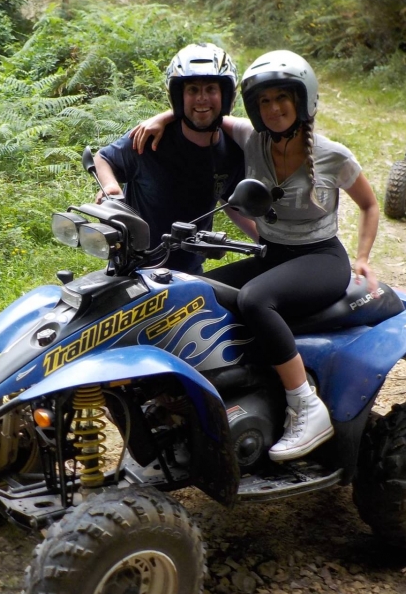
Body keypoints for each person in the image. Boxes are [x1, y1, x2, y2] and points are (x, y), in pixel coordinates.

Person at [131, 50, 380, 461]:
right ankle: (208, 391)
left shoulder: (333, 154)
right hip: (274, 253)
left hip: (321, 258)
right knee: (192, 289)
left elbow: (370, 205)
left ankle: (306, 404)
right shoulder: (252, 138)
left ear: (303, 101)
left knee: (254, 298)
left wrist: (363, 256)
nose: (274, 108)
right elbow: (203, 112)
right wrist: (164, 117)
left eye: (282, 98)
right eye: (264, 101)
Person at [93, 43, 255, 274]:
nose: (202, 98)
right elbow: (104, 157)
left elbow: (231, 201)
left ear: (226, 95)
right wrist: (111, 187)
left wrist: (267, 241)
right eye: (192, 90)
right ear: (179, 96)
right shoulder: (150, 140)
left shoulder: (231, 149)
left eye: (211, 89)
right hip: (134, 269)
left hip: (188, 273)